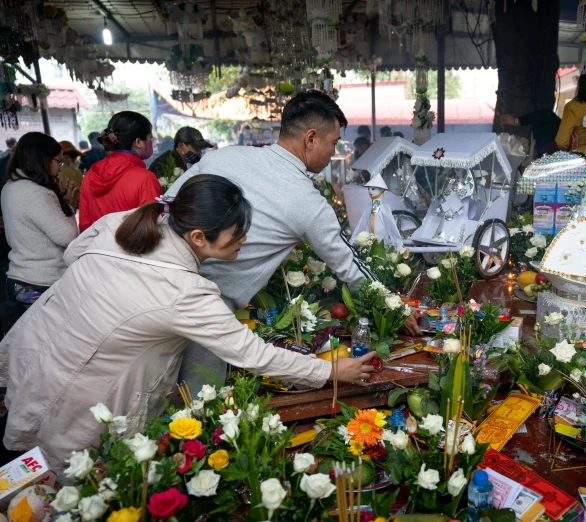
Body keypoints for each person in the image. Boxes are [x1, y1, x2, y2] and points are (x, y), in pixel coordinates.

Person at [0, 174, 375, 469]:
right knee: (72, 485)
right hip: (86, 390)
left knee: (32, 467)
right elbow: (253, 355)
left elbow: (74, 253)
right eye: (237, 234)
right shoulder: (183, 290)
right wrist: (331, 372)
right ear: (198, 236)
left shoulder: (123, 222)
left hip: (42, 350)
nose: (244, 240)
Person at [166, 90, 421, 388]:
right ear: (310, 138)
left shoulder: (225, 156)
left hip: (158, 283)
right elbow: (349, 266)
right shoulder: (306, 201)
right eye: (333, 143)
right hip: (208, 307)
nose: (333, 153)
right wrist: (394, 308)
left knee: (158, 395)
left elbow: (169, 208)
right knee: (201, 400)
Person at [1, 133, 78, 313]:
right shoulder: (37, 193)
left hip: (19, 278)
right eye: (58, 161)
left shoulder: (10, 186)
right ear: (42, 159)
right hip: (40, 282)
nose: (61, 167)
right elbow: (68, 237)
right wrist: (68, 206)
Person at [79, 111, 161, 231]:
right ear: (138, 142)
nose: (152, 143)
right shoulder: (145, 178)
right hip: (132, 248)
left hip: (96, 247)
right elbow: (152, 226)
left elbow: (84, 223)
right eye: (150, 138)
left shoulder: (91, 173)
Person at [149, 127, 213, 179]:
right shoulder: (163, 166)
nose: (199, 152)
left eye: (200, 149)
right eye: (196, 148)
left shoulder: (181, 163)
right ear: (181, 146)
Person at [58, 141, 84, 211]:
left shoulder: (51, 171)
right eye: (74, 157)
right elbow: (83, 194)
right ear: (67, 157)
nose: (75, 160)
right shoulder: (74, 172)